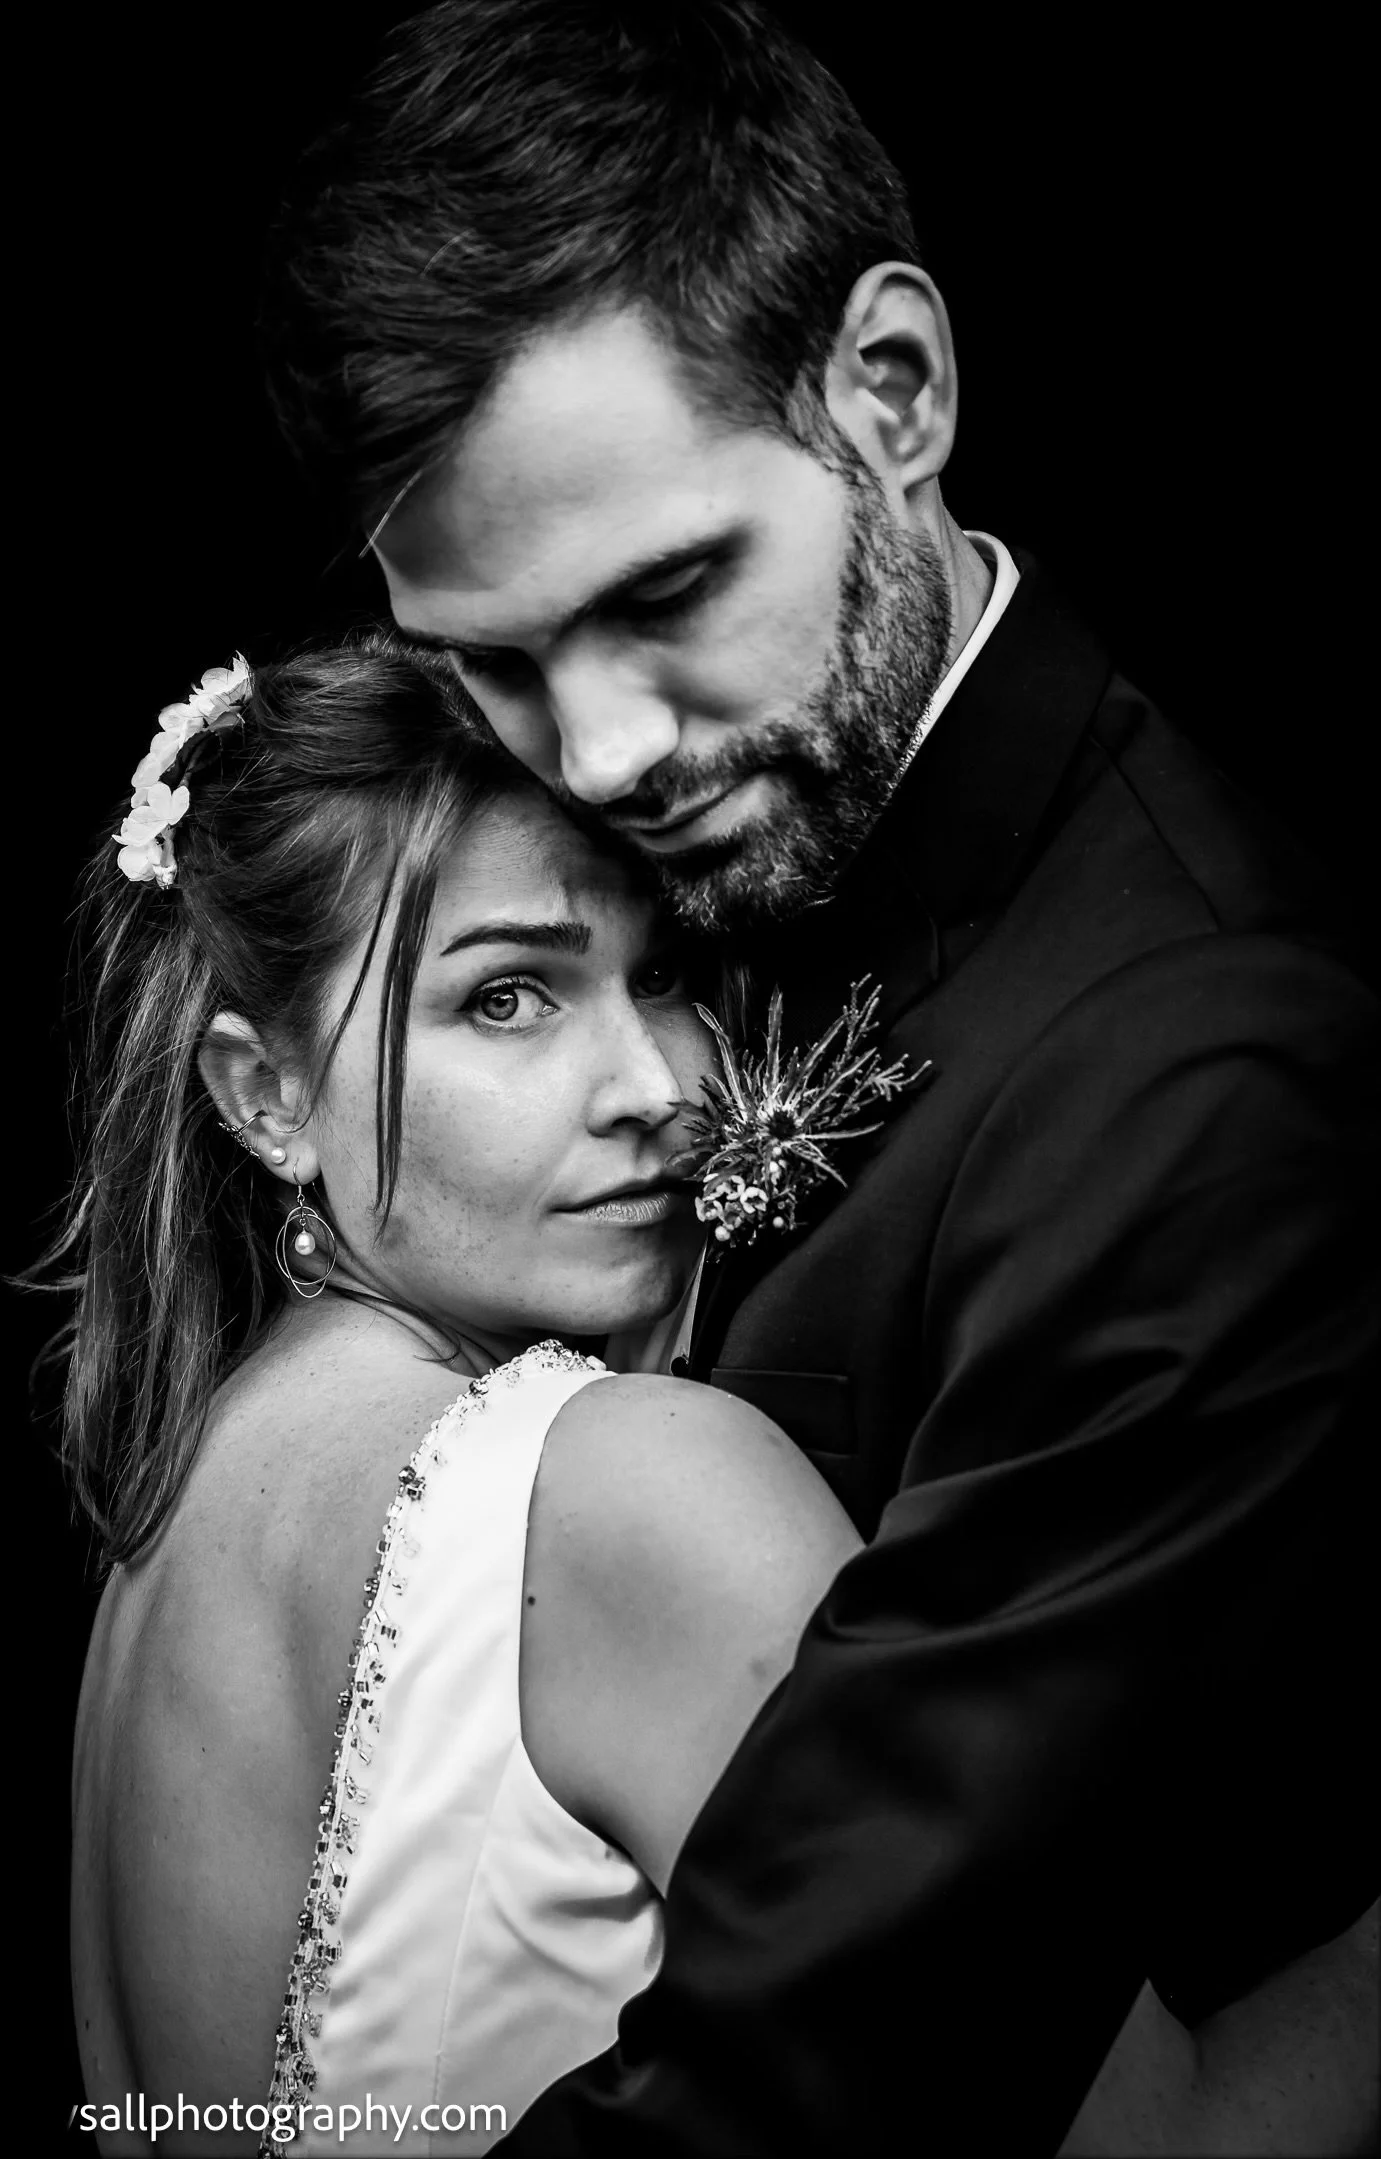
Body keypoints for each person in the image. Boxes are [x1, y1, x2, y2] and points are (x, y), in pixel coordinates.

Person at [258, 3, 1381, 2153]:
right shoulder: (687, 874)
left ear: (896, 392)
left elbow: (850, 2059)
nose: (596, 755)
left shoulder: (1203, 1070)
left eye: (670, 591)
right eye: (487, 661)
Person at [57, 633, 860, 2157]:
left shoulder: (175, 1525)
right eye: (509, 999)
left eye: (668, 970)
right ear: (266, 1097)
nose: (653, 1085)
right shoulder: (619, 1490)